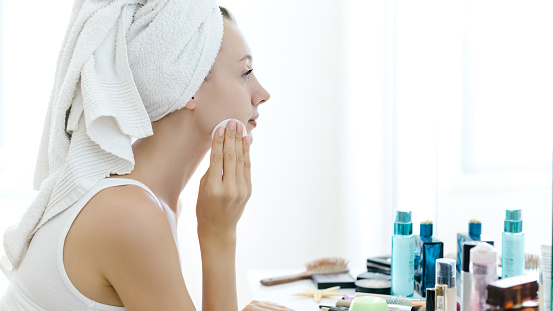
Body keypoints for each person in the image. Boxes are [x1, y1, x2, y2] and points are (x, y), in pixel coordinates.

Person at [0, 1, 293, 310]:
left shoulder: (149, 200)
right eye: (245, 72)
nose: (263, 93)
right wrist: (218, 235)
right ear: (188, 83)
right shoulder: (130, 213)